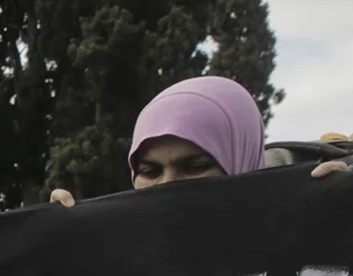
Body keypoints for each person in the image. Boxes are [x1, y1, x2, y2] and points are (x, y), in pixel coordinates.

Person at [52, 73, 268, 205]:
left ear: (243, 158)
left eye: (195, 167)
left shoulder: (296, 245)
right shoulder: (120, 251)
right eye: (150, 171)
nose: (167, 185)